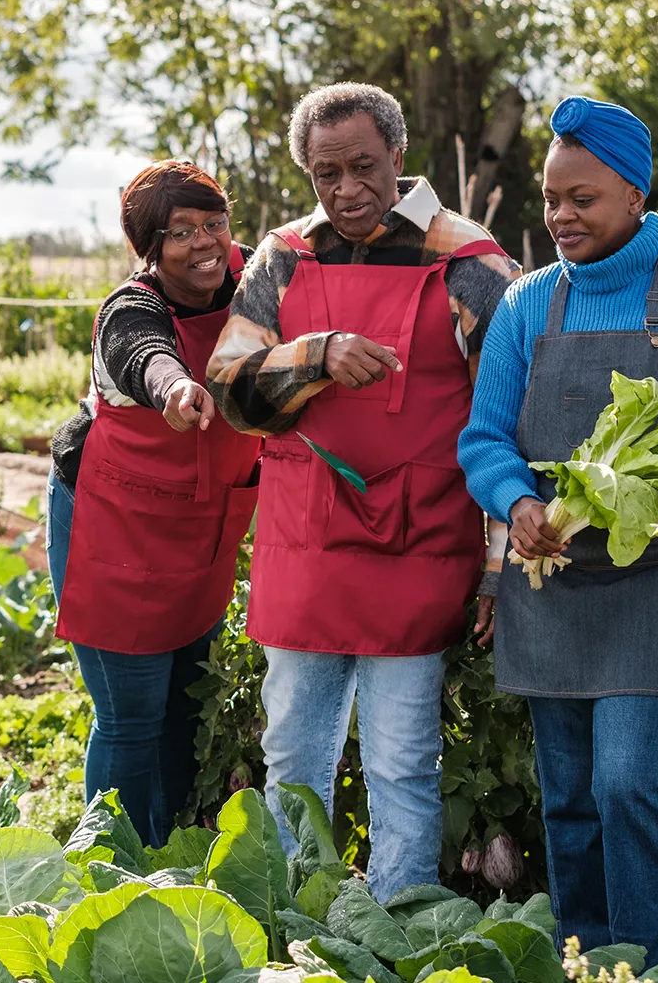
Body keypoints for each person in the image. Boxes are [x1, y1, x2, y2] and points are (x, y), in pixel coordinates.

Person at [457, 96, 658, 963]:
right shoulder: (528, 305)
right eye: (552, 199)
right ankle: (590, 964)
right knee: (567, 798)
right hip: (556, 589)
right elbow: (485, 437)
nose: (561, 216)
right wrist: (520, 504)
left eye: (583, 198)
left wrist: (651, 490)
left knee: (630, 783)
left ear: (635, 194)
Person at [207, 82, 519, 900]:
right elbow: (230, 389)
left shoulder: (469, 259)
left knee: (402, 758)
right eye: (325, 174)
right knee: (294, 754)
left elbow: (510, 422)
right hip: (305, 543)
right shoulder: (282, 256)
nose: (346, 190)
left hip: (417, 549)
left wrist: (500, 566)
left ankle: (399, 921)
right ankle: (290, 917)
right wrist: (312, 357)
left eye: (362, 167)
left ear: (399, 157)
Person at [46, 159, 262, 846]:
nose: (204, 243)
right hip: (118, 529)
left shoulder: (255, 277)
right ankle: (111, 863)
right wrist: (173, 388)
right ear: (151, 248)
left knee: (185, 712)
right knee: (131, 716)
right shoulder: (131, 306)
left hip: (201, 527)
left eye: (214, 223)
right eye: (180, 232)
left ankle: (171, 853)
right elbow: (144, 350)